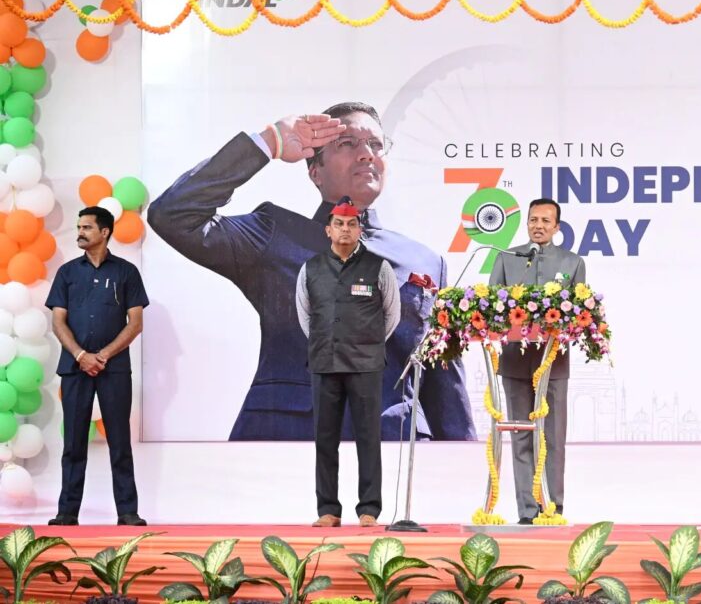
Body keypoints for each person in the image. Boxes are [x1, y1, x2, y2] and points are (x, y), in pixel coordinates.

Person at [148, 102, 475, 441]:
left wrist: (463, 458)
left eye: (376, 144)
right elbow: (173, 215)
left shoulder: (424, 261)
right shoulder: (273, 236)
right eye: (347, 143)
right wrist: (269, 141)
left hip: (392, 446)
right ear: (315, 172)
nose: (367, 154)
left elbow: (442, 377)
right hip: (290, 443)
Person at [297, 198, 399, 528]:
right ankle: (328, 509)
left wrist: (366, 342)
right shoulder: (310, 268)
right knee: (325, 440)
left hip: (366, 365)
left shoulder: (379, 267)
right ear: (328, 230)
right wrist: (327, 340)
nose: (345, 229)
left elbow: (392, 315)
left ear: (360, 230)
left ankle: (369, 509)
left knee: (368, 439)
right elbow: (305, 316)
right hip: (324, 362)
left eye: (352, 224)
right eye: (339, 224)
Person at [45, 206, 149, 526]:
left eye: (87, 227)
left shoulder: (126, 272)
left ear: (104, 232)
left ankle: (128, 512)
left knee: (119, 442)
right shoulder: (67, 273)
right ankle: (67, 512)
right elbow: (58, 322)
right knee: (73, 443)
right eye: (79, 227)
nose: (80, 232)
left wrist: (102, 355)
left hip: (113, 370)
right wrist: (81, 355)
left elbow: (135, 323)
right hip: (74, 368)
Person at [488, 198, 586, 524]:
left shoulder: (572, 262)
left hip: (553, 363)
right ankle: (527, 511)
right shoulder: (507, 257)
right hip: (514, 361)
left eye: (545, 221)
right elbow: (491, 307)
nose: (538, 226)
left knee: (553, 438)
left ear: (556, 227)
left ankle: (553, 508)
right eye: (533, 220)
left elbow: (581, 313)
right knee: (521, 437)